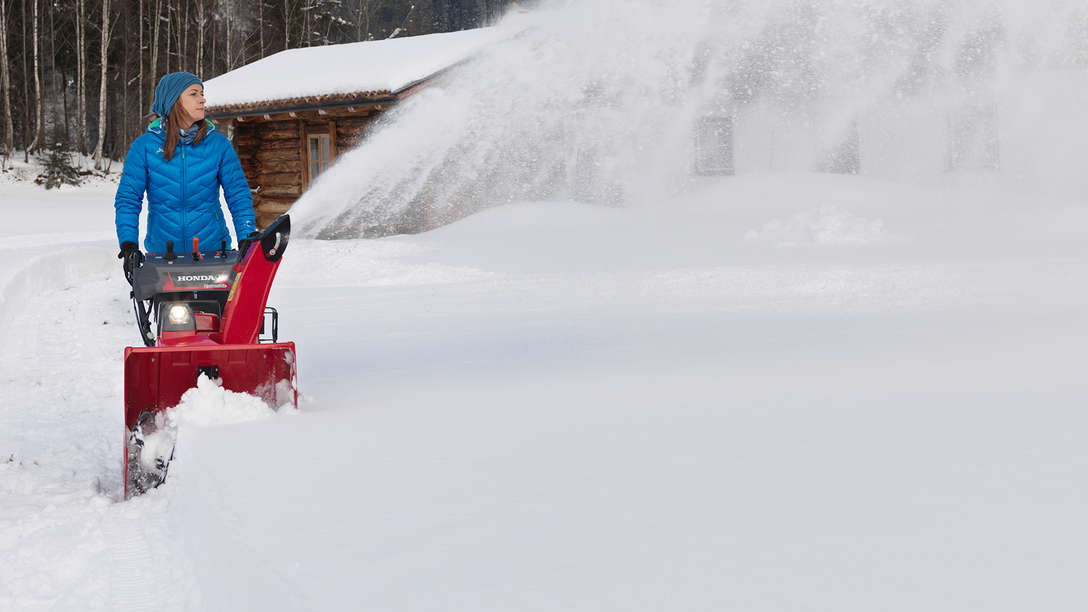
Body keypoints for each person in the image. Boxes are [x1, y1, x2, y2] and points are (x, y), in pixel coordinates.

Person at [115, 71, 257, 282]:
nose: (203, 99)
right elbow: (128, 199)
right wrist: (128, 245)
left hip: (214, 256)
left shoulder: (218, 145)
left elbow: (238, 194)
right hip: (162, 258)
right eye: (194, 94)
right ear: (174, 101)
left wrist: (247, 236)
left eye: (202, 93)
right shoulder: (144, 148)